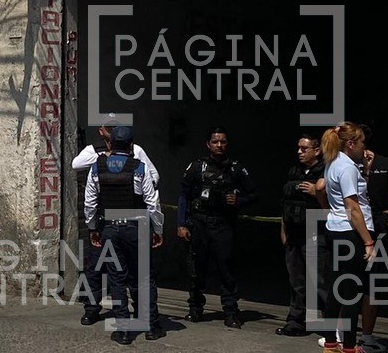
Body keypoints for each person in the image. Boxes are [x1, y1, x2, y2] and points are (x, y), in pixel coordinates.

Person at [71, 113, 160, 325]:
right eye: (107, 128)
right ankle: (94, 309)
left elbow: (153, 177)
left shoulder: (136, 153)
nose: (111, 131)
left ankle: (132, 321)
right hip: (107, 223)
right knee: (96, 269)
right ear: (101, 131)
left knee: (130, 275)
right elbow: (76, 164)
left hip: (127, 222)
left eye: (115, 128)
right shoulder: (94, 153)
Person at [177, 126, 256, 329]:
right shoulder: (197, 167)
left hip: (223, 224)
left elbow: (254, 194)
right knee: (197, 268)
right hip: (199, 223)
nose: (219, 145)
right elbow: (183, 195)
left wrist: (238, 200)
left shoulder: (236, 168)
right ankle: (195, 309)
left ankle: (230, 311)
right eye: (215, 142)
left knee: (226, 269)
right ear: (208, 144)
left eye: (222, 142)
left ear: (227, 144)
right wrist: (181, 224)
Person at [318, 122, 379, 353]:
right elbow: (353, 208)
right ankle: (351, 351)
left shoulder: (334, 163)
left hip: (336, 230)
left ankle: (331, 346)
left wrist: (365, 169)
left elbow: (324, 190)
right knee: (352, 291)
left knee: (337, 287)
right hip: (351, 233)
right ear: (351, 144)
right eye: (363, 142)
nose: (366, 147)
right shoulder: (346, 167)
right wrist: (368, 240)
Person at [357, 124, 388, 353]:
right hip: (351, 231)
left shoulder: (386, 165)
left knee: (372, 284)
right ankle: (338, 336)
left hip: (378, 232)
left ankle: (366, 337)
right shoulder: (345, 165)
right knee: (345, 282)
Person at [277, 133, 327, 337]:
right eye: (298, 148)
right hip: (294, 232)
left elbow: (338, 204)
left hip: (316, 232)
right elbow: (285, 203)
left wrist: (318, 193)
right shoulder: (294, 171)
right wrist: (283, 229)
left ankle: (329, 325)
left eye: (304, 148)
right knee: (296, 279)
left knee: (320, 280)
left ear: (317, 150)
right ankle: (295, 320)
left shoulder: (326, 171)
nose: (299, 152)